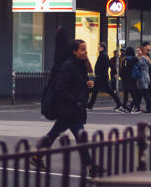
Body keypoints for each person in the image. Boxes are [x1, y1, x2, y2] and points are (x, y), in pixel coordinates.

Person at [30, 38, 102, 175]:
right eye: (82, 49)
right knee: (80, 136)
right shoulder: (68, 66)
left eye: (86, 49)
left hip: (74, 108)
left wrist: (88, 86)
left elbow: (79, 85)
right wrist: (75, 100)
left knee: (53, 134)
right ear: (74, 51)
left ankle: (37, 157)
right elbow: (60, 87)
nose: (85, 52)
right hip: (70, 109)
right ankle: (91, 166)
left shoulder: (80, 65)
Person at [87, 42, 122, 112]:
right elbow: (109, 64)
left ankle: (119, 103)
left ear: (102, 47)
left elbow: (106, 65)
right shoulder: (102, 55)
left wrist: (100, 73)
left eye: (98, 46)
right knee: (95, 91)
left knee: (108, 91)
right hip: (101, 76)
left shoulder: (103, 55)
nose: (98, 48)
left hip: (102, 76)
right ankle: (90, 105)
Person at [118, 46, 140, 113]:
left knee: (126, 94)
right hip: (133, 78)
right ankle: (137, 107)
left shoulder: (125, 59)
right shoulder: (136, 59)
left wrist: (121, 76)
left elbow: (123, 69)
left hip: (126, 79)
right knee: (134, 94)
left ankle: (124, 106)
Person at [136, 44, 151, 112]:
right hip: (146, 76)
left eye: (139, 50)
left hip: (143, 77)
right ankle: (137, 106)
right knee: (140, 93)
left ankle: (150, 108)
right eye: (137, 50)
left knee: (145, 93)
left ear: (142, 51)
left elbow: (139, 66)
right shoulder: (146, 57)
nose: (137, 52)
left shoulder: (142, 58)